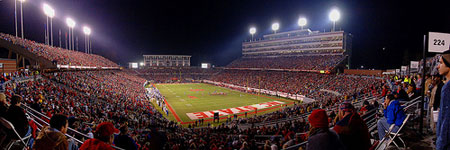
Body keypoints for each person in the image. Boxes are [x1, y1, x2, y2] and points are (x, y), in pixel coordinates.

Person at [436, 52, 450, 150]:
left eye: (441, 63)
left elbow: (447, 120)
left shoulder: (448, 88)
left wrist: (441, 144)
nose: (437, 66)